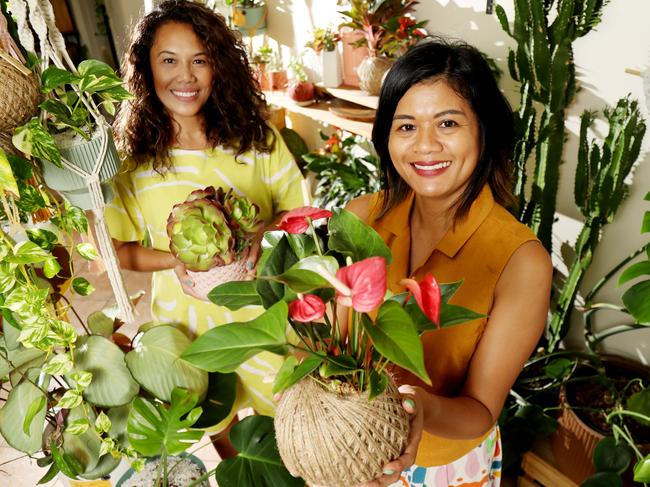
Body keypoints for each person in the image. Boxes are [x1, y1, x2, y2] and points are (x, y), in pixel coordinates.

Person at [346, 38, 553, 486]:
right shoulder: (361, 218)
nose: (425, 146)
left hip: (437, 468)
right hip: (347, 449)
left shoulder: (521, 261)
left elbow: (480, 411)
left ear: (485, 129)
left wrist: (420, 406)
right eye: (406, 127)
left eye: (447, 123)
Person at [105, 0, 304, 455]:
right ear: (146, 68)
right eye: (169, 60)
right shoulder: (132, 160)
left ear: (219, 66)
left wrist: (258, 236)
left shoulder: (258, 140)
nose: (186, 77)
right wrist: (174, 258)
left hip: (266, 319)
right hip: (190, 328)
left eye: (200, 60)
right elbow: (118, 250)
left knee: (292, 437)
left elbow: (299, 215)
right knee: (229, 439)